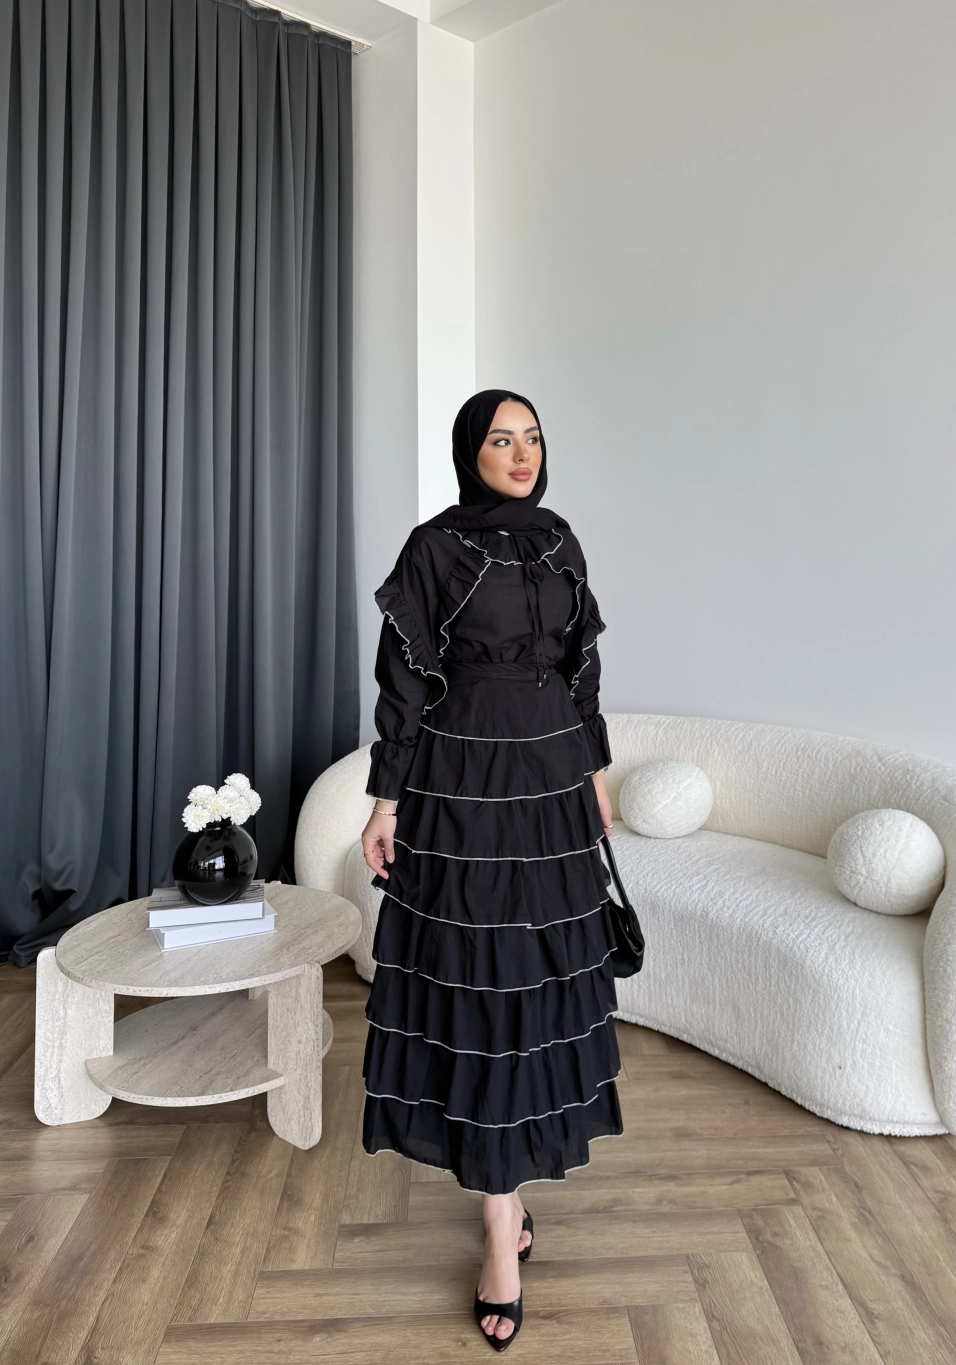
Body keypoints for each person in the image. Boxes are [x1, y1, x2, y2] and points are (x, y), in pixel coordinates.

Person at [359, 388, 623, 1351]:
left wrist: (596, 773)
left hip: (551, 780)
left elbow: (582, 669)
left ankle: (506, 1196)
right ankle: (498, 1227)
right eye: (502, 439)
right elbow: (402, 685)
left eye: (533, 437)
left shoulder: (560, 540)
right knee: (478, 985)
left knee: (537, 986)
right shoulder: (434, 547)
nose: (521, 453)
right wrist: (386, 799)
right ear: (470, 451)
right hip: (463, 780)